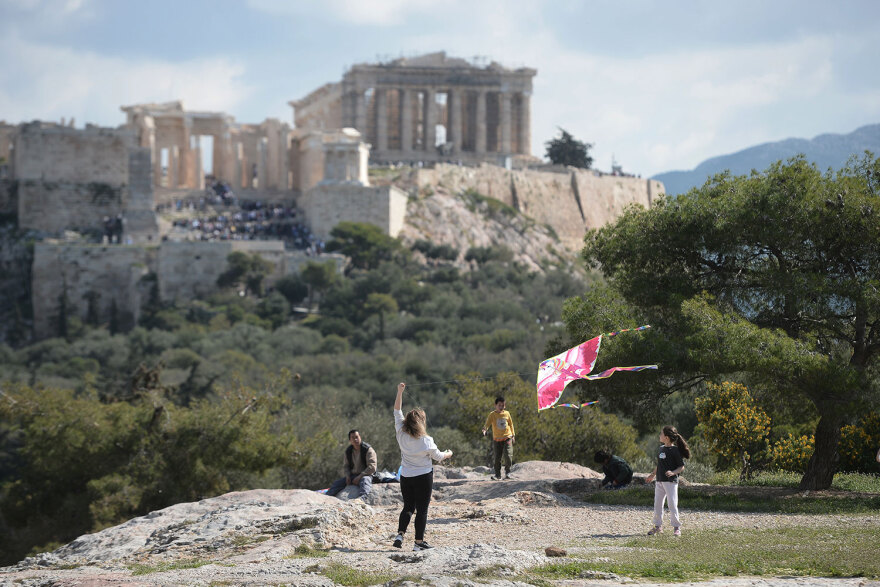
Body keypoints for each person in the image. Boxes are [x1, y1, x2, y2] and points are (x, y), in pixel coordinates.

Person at [392, 382, 452, 551]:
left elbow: (397, 411)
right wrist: (449, 453)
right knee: (422, 510)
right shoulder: (426, 440)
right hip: (423, 477)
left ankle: (400, 534)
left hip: (406, 476)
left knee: (408, 507)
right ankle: (418, 543)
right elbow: (439, 457)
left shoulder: (400, 433)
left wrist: (399, 392)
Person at [645, 425, 691, 537]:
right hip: (659, 481)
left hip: (670, 482)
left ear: (666, 437)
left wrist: (673, 472)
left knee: (672, 504)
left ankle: (676, 527)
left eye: (661, 434)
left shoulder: (675, 450)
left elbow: (681, 466)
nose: (659, 435)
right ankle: (658, 526)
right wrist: (652, 475)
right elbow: (659, 464)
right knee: (657, 504)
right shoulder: (661, 448)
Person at [326, 430, 377, 499]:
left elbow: (372, 467)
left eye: (357, 437)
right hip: (353, 476)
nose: (355, 439)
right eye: (353, 438)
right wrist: (347, 476)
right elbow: (346, 466)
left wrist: (360, 476)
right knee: (337, 483)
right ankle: (326, 498)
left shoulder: (368, 450)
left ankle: (362, 499)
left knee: (365, 482)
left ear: (360, 437)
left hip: (366, 475)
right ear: (350, 440)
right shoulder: (348, 451)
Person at [482, 396, 515, 480]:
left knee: (508, 455)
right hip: (497, 439)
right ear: (495, 405)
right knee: (497, 458)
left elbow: (511, 424)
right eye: (499, 405)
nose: (501, 407)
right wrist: (485, 429)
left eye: (503, 405)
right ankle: (497, 475)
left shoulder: (507, 413)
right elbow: (487, 423)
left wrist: (513, 435)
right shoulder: (492, 415)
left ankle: (508, 473)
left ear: (505, 406)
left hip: (507, 437)